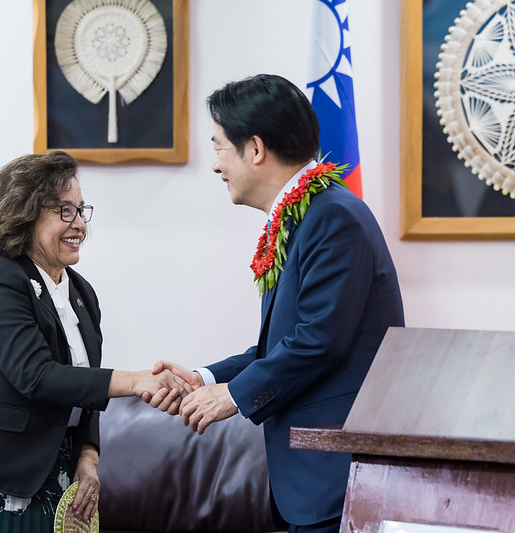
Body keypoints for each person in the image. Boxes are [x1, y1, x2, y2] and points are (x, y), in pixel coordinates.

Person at [146, 74, 405, 533]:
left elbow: (319, 341)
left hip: (337, 477)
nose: (215, 165)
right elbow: (282, 344)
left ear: (256, 149)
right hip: (310, 481)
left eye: (219, 147)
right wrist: (205, 378)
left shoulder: (333, 217)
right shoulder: (305, 216)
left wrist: (232, 396)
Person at [0, 151, 190, 533]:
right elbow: (36, 376)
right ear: (25, 213)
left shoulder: (82, 293)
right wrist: (134, 380)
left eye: (82, 210)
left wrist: (88, 456)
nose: (79, 223)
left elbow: (83, 389)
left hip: (48, 477)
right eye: (65, 211)